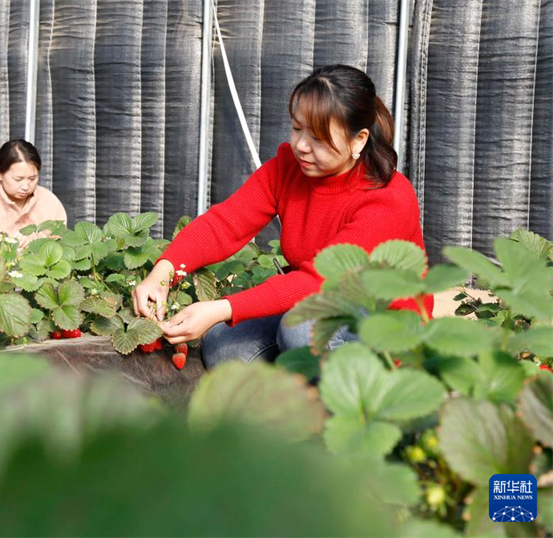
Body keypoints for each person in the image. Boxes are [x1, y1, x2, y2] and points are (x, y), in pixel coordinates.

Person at [131, 64, 433, 369]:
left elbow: (321, 281)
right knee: (223, 346)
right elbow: (226, 224)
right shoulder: (289, 169)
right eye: (297, 128)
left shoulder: (386, 198)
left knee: (301, 331)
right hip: (313, 307)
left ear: (358, 140)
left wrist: (222, 307)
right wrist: (163, 273)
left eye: (318, 138)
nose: (300, 146)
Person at [0, 139, 67, 248]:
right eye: (18, 179)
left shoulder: (50, 201)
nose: (26, 187)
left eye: (32, 178)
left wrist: (35, 240)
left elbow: (60, 243)